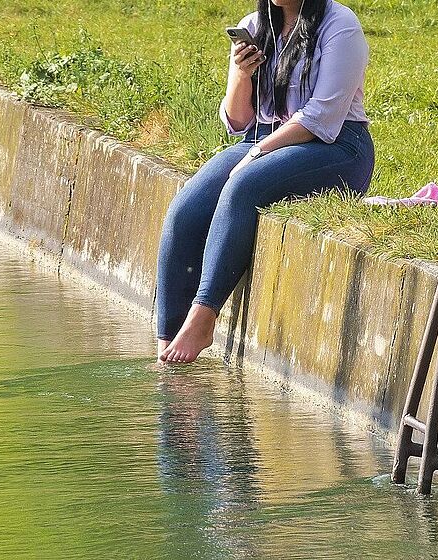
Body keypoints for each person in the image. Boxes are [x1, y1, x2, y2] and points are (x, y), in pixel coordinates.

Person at [155, 0, 374, 363]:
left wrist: (257, 154)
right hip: (260, 137)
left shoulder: (340, 24)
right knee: (185, 209)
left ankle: (203, 317)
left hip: (336, 146)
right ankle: (166, 344)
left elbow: (322, 117)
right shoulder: (254, 25)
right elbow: (238, 123)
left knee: (242, 186)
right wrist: (242, 75)